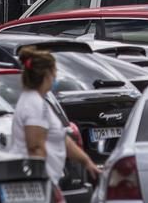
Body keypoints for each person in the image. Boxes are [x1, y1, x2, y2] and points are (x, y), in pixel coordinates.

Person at [11, 49, 99, 185]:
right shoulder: (34, 104)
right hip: (40, 184)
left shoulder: (39, 102)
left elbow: (63, 139)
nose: (56, 75)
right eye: (55, 71)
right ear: (47, 74)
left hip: (50, 182)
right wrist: (43, 183)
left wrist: (86, 161)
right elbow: (35, 147)